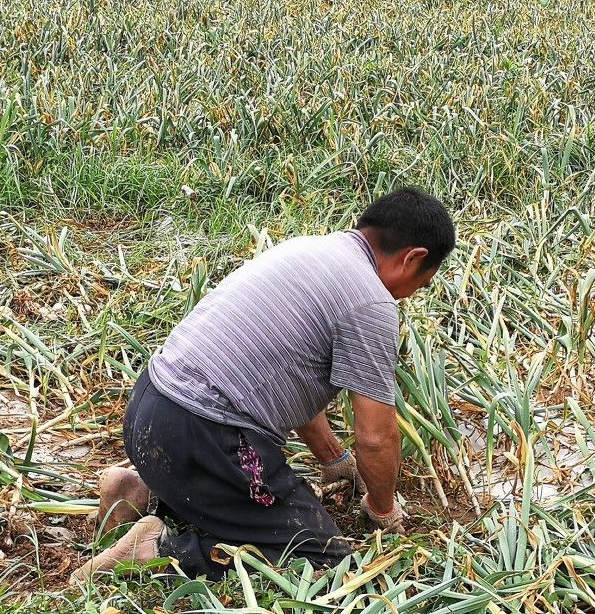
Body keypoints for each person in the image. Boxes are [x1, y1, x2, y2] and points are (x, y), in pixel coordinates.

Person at [71, 187, 455, 582]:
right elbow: (376, 437)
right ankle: (157, 548)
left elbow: (289, 375)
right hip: (204, 434)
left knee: (231, 507)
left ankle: (137, 491)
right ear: (413, 258)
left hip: (149, 409)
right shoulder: (370, 301)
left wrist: (333, 459)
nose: (409, 295)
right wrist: (383, 509)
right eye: (420, 284)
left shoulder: (309, 250)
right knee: (319, 558)